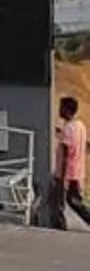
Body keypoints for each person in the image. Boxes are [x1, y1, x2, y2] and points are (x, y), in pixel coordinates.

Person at [44, 95, 90, 231]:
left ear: (68, 110)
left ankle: (59, 227)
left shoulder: (68, 129)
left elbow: (65, 155)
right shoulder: (80, 126)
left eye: (62, 108)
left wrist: (61, 178)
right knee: (75, 201)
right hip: (77, 172)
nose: (59, 110)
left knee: (59, 202)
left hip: (66, 174)